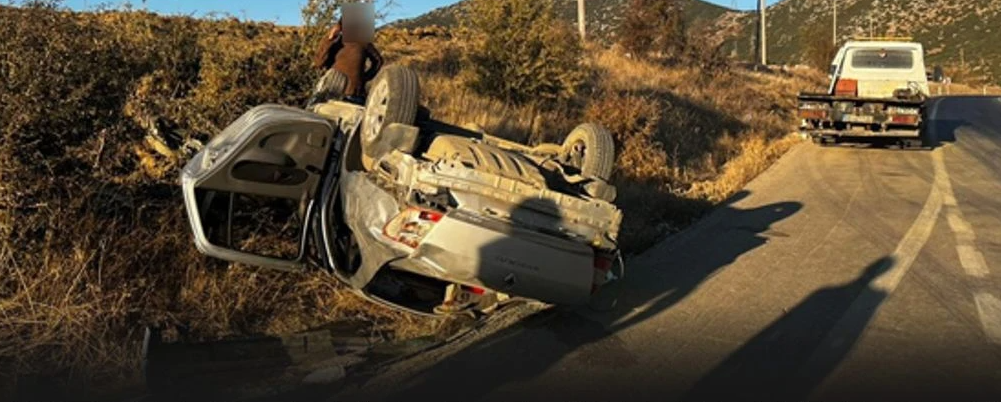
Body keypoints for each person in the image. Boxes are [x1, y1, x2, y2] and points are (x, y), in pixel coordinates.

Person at [312, 18, 384, 104]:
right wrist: (329, 39)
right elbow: (318, 63)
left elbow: (378, 61)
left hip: (354, 94)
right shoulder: (334, 41)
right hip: (332, 90)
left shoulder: (363, 42)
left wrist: (364, 77)